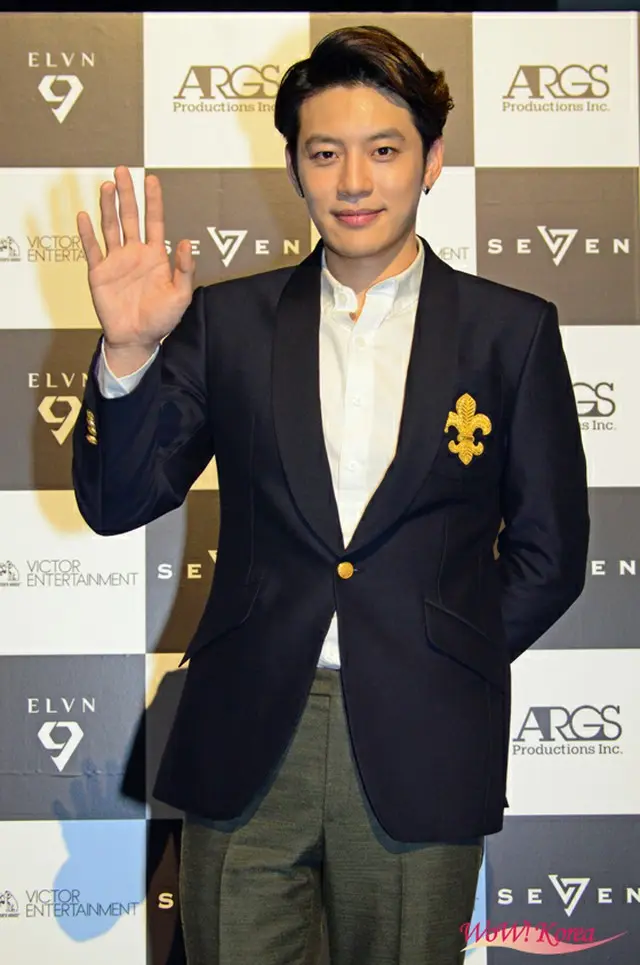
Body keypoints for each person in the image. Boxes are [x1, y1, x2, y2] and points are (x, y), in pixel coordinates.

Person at [72, 24, 589, 965]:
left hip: (423, 744)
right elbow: (117, 501)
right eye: (325, 153)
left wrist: (442, 652)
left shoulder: (510, 332)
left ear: (432, 160)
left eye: (384, 150)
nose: (354, 181)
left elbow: (551, 554)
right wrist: (129, 354)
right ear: (295, 168)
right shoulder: (226, 321)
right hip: (247, 736)